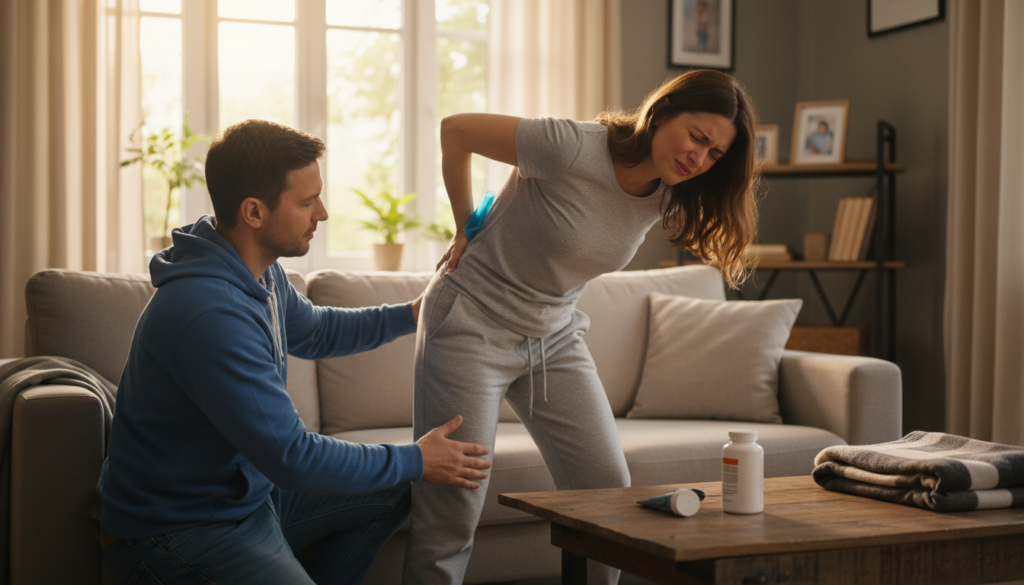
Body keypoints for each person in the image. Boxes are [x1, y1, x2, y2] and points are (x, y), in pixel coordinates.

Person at [97, 119, 492, 585]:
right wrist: (418, 457)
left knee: (399, 488)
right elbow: (291, 456)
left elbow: (317, 331)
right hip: (177, 530)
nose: (322, 213)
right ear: (254, 212)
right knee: (409, 471)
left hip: (246, 501)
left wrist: (411, 313)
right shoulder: (209, 314)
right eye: (307, 202)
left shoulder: (257, 271)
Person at [403, 69, 758, 584]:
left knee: (606, 489)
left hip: (553, 334)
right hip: (469, 324)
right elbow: (456, 130)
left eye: (714, 154)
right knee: (451, 509)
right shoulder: (569, 145)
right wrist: (465, 225)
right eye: (697, 138)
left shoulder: (668, 191)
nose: (698, 159)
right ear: (661, 112)